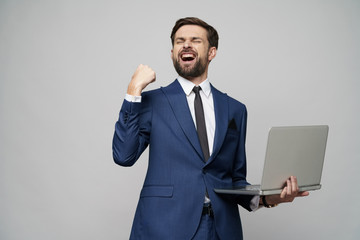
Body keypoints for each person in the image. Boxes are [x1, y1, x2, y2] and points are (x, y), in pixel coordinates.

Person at [112, 17, 309, 240]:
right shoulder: (152, 101)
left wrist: (270, 198)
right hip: (164, 227)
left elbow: (235, 181)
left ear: (211, 52)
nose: (186, 45)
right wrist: (133, 89)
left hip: (221, 229)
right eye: (179, 41)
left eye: (195, 40)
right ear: (172, 52)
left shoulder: (235, 109)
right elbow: (123, 155)